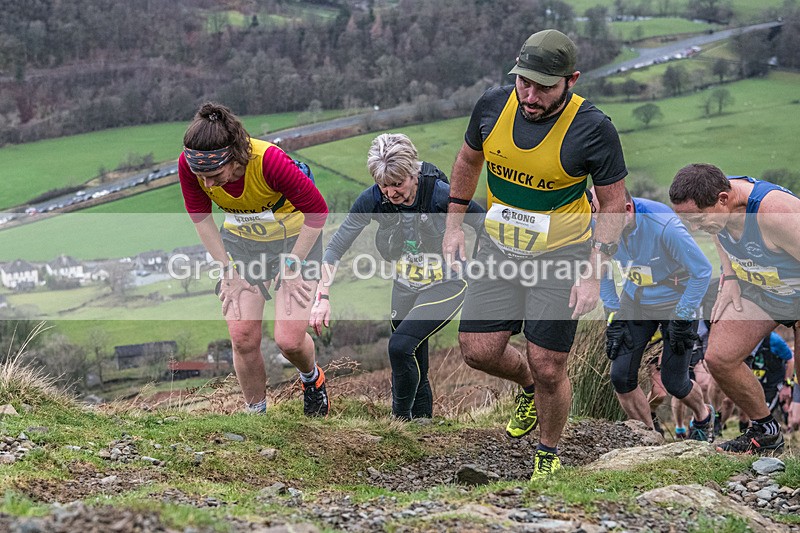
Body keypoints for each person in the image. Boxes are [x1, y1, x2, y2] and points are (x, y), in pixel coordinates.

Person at [442, 29, 628, 479]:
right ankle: (526, 387)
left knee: (549, 365)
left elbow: (613, 205)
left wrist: (593, 273)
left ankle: (547, 453)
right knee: (478, 350)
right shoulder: (492, 105)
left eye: (544, 87)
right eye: (524, 82)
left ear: (571, 80)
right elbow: (468, 161)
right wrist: (453, 226)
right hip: (499, 249)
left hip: (562, 255)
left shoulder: (594, 129)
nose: (530, 95)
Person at [309, 133, 484, 420]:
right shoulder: (373, 199)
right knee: (414, 357)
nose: (391, 193)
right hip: (405, 286)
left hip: (447, 284)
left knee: (400, 346)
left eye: (398, 183)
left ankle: (398, 420)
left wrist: (482, 269)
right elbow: (336, 246)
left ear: (413, 174)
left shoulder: (439, 194)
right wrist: (322, 296)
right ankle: (421, 427)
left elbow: (484, 222)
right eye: (384, 185)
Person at [178, 102, 330, 416]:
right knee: (242, 336)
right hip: (244, 245)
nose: (207, 184)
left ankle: (312, 379)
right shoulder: (190, 163)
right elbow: (201, 218)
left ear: (234, 156)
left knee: (289, 340)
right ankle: (256, 414)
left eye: (214, 175)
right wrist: (227, 270)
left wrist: (293, 265)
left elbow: (318, 212)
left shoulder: (269, 161)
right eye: (200, 177)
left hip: (296, 241)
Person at [669, 163, 800, 454]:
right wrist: (728, 275)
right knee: (720, 358)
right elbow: (717, 230)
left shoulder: (775, 213)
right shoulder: (717, 201)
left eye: (697, 219)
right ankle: (765, 431)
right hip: (765, 291)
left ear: (723, 199)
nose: (694, 228)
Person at [594, 189, 714, 441]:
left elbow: (702, 271)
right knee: (621, 377)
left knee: (675, 382)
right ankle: (649, 439)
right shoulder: (598, 225)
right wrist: (612, 311)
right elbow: (600, 266)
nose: (599, 226)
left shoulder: (665, 226)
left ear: (627, 211)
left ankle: (703, 416)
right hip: (636, 300)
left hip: (676, 301)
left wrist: (683, 315)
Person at [739, 330, 794, 428]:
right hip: (754, 383)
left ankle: (760, 434)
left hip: (772, 384)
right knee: (744, 415)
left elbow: (790, 360)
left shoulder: (774, 340)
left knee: (761, 415)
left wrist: (787, 385)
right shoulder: (744, 337)